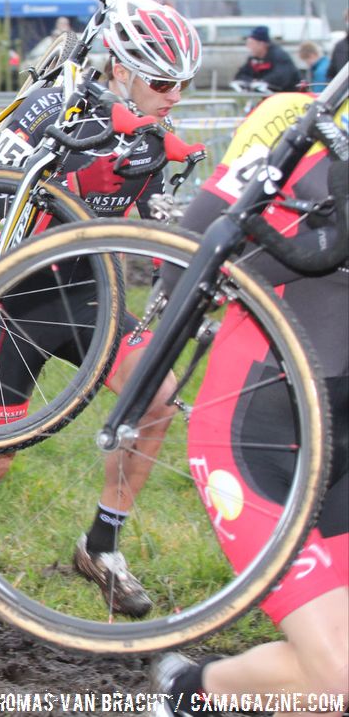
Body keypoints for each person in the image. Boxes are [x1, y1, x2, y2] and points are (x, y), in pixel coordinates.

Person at [0, 0, 202, 627]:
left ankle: (100, 547)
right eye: (161, 81)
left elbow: (150, 223)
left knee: (156, 400)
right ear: (120, 69)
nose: (173, 95)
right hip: (17, 301)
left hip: (91, 296)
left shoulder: (157, 139)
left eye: (182, 83)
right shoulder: (59, 102)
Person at [149, 90, 348, 716]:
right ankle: (189, 697)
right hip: (252, 439)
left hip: (339, 447)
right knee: (336, 682)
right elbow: (189, 250)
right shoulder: (303, 139)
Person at [233, 25, 299, 93]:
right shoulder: (254, 59)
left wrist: (262, 82)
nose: (249, 47)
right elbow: (241, 75)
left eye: (251, 44)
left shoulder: (279, 56)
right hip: (268, 98)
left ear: (261, 44)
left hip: (288, 96)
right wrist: (250, 82)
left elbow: (281, 77)